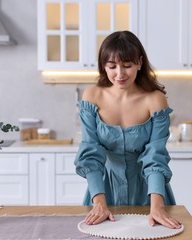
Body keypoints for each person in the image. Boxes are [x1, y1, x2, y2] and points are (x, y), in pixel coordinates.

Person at [74, 30, 181, 229]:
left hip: (149, 190)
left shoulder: (155, 99)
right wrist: (99, 202)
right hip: (104, 191)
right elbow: (90, 154)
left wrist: (157, 206)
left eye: (127, 66)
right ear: (103, 66)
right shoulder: (92, 97)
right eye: (112, 66)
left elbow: (155, 155)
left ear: (139, 63)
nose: (120, 74)